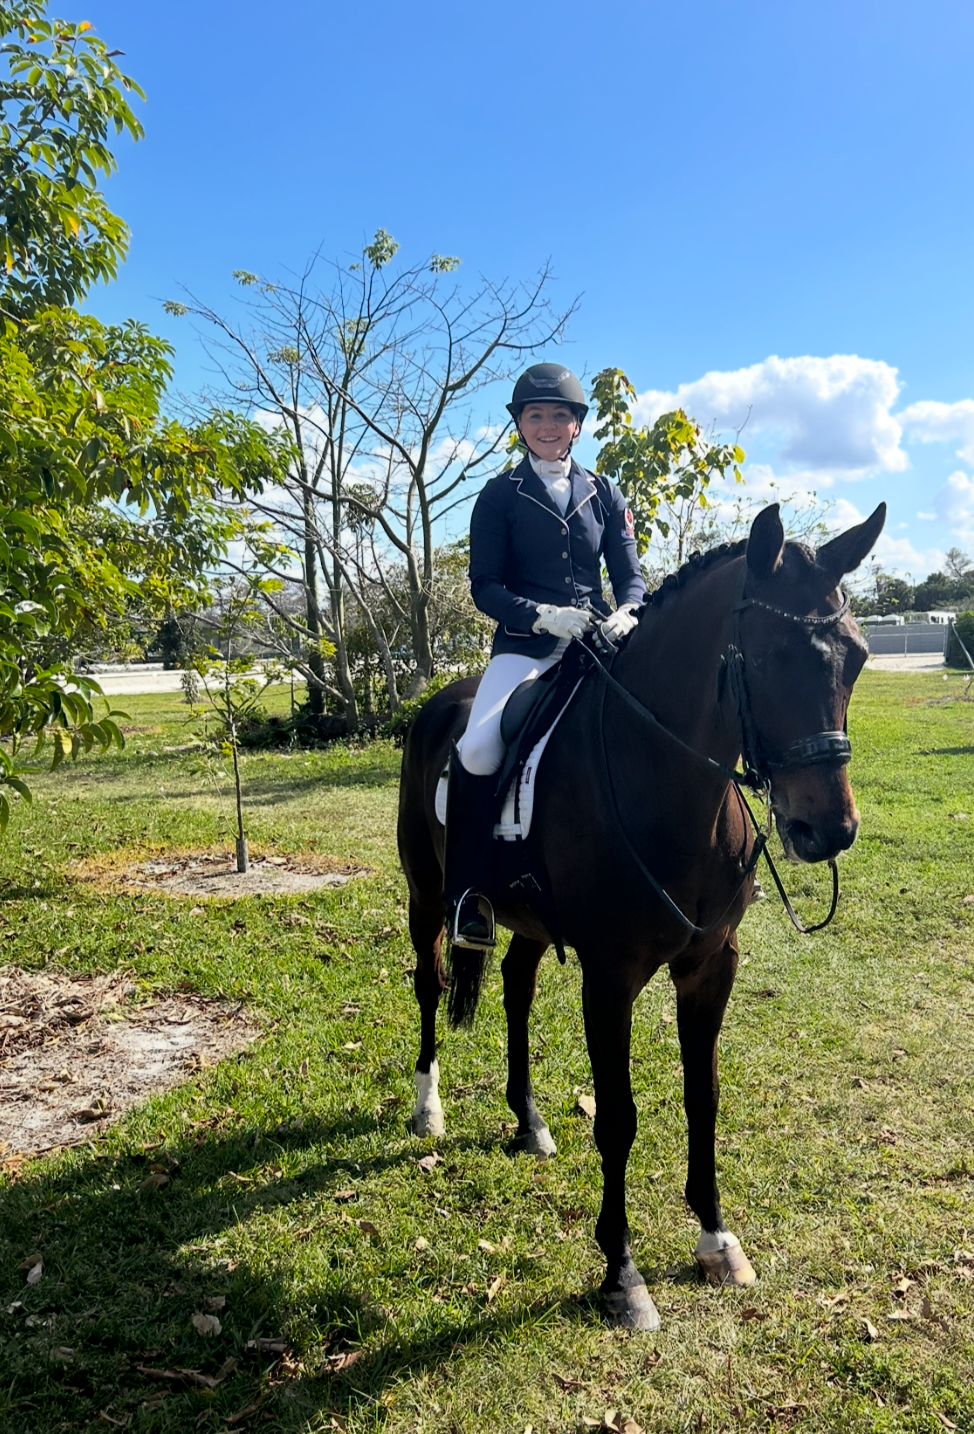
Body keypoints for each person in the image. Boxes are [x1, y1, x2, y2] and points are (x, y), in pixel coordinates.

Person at [444, 362, 647, 949]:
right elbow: (484, 586)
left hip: (599, 643)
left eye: (560, 415)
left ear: (578, 425)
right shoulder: (499, 496)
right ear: (521, 426)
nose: (549, 425)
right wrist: (539, 615)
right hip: (526, 648)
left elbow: (630, 574)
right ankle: (468, 895)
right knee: (479, 746)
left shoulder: (605, 493)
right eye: (536, 415)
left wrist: (628, 611)